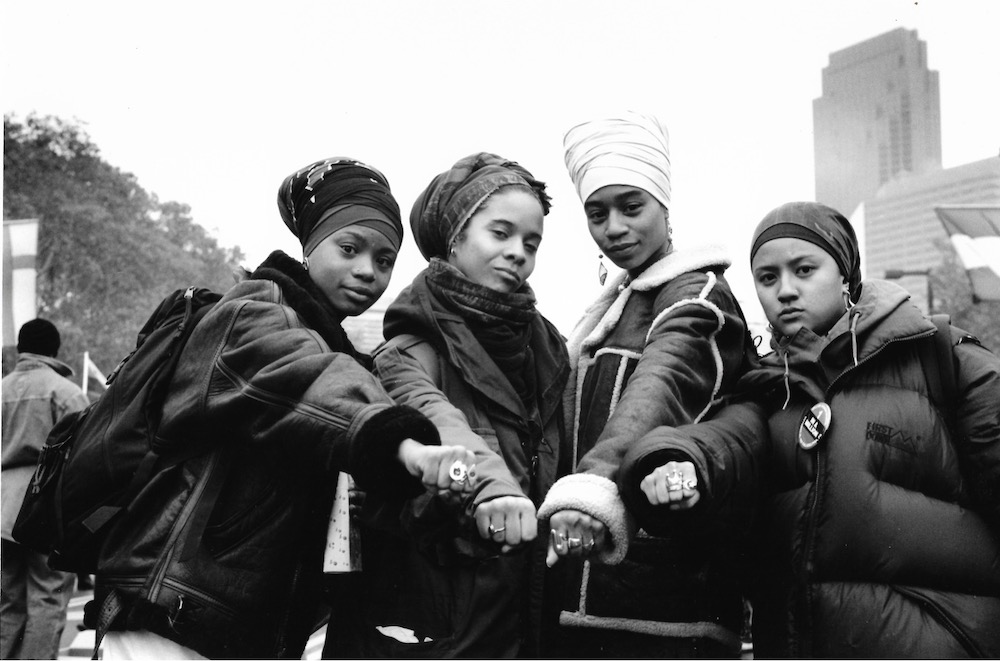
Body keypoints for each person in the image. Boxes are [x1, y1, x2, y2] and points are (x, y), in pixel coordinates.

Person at [92, 157, 477, 660]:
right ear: (310, 244)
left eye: (385, 260)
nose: (368, 270)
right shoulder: (251, 315)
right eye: (349, 248)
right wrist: (401, 443)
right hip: (168, 623)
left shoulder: (334, 344)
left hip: (240, 629)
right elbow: (307, 380)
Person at [620, 201, 1000, 657]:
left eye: (804, 270)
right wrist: (677, 464)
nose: (785, 291)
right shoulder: (763, 388)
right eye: (767, 278)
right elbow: (725, 442)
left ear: (845, 276)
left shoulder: (941, 354)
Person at [536, 112, 759, 658]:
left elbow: (664, 382)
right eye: (597, 213)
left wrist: (592, 488)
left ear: (663, 204)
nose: (613, 227)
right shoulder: (615, 306)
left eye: (630, 207)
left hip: (668, 611)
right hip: (592, 593)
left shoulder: (696, 297)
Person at [333, 152, 570, 658]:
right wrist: (490, 489)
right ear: (455, 238)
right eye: (500, 233)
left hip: (519, 630)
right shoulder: (405, 356)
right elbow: (442, 427)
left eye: (531, 243)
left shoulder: (550, 356)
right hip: (428, 638)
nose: (518, 253)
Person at [2, 319, 90, 659]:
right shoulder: (66, 393)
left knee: (8, 601)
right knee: (47, 596)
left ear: (21, 348)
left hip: (2, 508)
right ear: (54, 350)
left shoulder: (1, 390)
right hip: (45, 506)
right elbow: (86, 456)